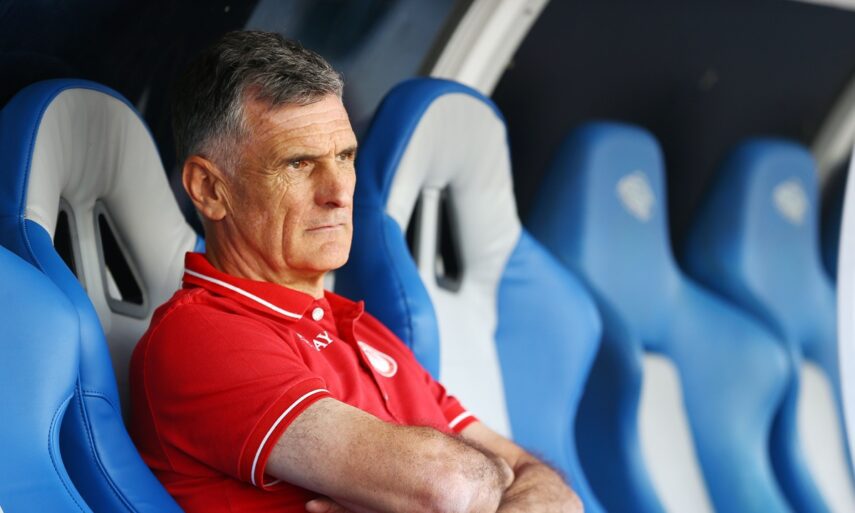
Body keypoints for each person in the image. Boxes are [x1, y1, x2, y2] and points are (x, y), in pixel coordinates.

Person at [129, 30, 582, 513]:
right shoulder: (202, 335)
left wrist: (472, 486)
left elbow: (554, 492)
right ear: (209, 189)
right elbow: (447, 485)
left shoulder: (364, 330)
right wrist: (492, 476)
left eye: (345, 157)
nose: (339, 193)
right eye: (298, 163)